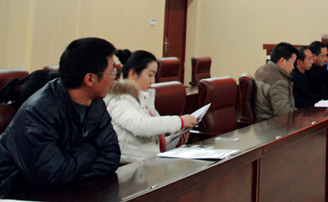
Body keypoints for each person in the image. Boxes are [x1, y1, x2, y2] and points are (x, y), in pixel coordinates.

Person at [0, 37, 121, 198]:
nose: (115, 77)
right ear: (90, 79)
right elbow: (49, 176)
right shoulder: (39, 111)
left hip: (63, 190)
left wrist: (66, 169)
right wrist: (91, 150)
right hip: (16, 193)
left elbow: (112, 156)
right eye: (112, 71)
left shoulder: (96, 104)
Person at [105, 50, 197, 164]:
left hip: (149, 164)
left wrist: (173, 141)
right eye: (150, 75)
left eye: (154, 76)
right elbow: (140, 126)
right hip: (131, 166)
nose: (152, 81)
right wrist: (180, 121)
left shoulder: (143, 99)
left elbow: (148, 144)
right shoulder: (119, 100)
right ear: (133, 74)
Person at [253, 42, 298, 120]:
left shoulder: (261, 70)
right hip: (272, 123)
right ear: (282, 61)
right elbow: (285, 114)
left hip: (262, 120)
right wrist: (301, 115)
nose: (293, 67)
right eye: (293, 63)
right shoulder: (279, 82)